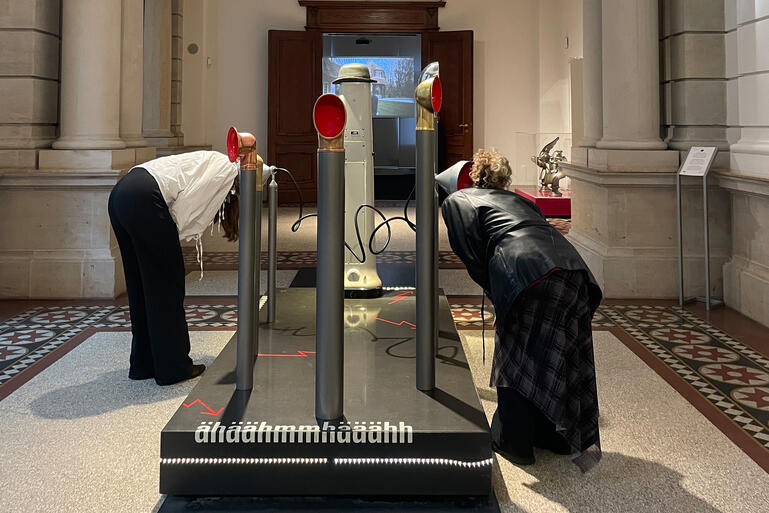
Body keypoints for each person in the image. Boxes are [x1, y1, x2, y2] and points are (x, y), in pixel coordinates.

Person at [441, 149, 603, 471]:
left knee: (516, 355)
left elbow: (471, 254)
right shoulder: (522, 201)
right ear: (505, 177)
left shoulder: (460, 200)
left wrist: (497, 291)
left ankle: (515, 442)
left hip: (527, 277)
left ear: (474, 176)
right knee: (556, 352)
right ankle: (554, 436)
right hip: (573, 273)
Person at [108, 151, 240, 386]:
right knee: (166, 286)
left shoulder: (213, 160)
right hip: (144, 198)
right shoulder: (227, 170)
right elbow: (185, 211)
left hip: (121, 194)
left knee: (140, 285)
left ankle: (143, 363)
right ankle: (173, 367)